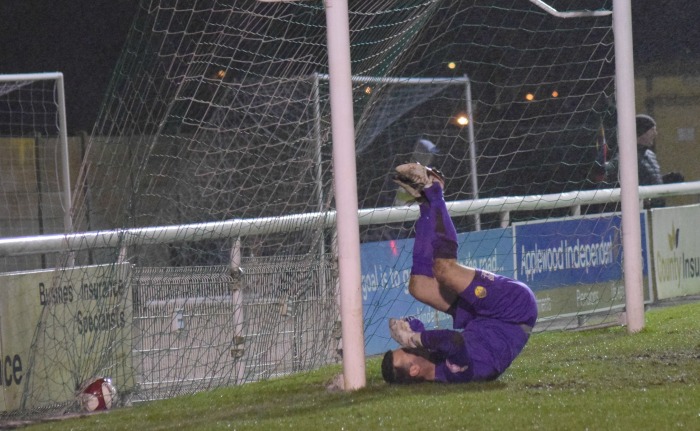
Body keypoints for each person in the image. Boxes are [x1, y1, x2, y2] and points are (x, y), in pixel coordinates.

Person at [382, 162, 538, 384]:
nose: (407, 346)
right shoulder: (455, 372)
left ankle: (425, 203)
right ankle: (435, 190)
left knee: (419, 287)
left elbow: (422, 332)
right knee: (445, 270)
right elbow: (453, 341)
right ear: (415, 370)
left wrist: (408, 327)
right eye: (406, 351)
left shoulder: (433, 360)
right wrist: (416, 338)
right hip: (513, 310)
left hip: (480, 317)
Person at [596, 114, 683, 209]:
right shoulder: (627, 155)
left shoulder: (650, 154)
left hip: (656, 211)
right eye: (652, 130)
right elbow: (609, 173)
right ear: (642, 132)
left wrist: (664, 181)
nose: (655, 133)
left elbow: (645, 179)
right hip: (640, 211)